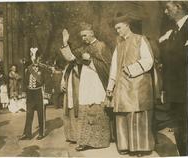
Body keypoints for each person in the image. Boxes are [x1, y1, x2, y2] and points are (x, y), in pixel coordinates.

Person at [106, 12, 155, 156]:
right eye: (116, 29)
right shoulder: (119, 45)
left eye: (119, 27)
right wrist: (110, 87)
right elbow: (113, 67)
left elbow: (148, 60)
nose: (118, 31)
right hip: (122, 87)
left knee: (137, 115)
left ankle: (140, 148)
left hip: (137, 86)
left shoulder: (140, 39)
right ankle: (125, 146)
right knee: (122, 114)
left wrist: (131, 69)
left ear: (127, 25)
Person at [60, 22, 112, 151]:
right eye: (81, 36)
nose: (83, 38)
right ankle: (84, 141)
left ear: (91, 33)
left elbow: (108, 67)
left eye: (85, 35)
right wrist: (65, 43)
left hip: (98, 82)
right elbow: (71, 58)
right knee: (85, 109)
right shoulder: (83, 48)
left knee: (97, 109)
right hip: (86, 82)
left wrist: (90, 61)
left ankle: (100, 141)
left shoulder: (101, 46)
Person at [159, 1, 188, 156]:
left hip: (186, 89)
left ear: (179, 7)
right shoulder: (172, 32)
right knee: (180, 127)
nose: (165, 11)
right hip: (176, 91)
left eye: (168, 8)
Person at [19, 47, 46, 140]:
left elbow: (47, 81)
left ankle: (41, 133)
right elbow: (25, 81)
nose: (33, 58)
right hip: (30, 93)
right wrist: (23, 92)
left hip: (39, 92)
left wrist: (46, 95)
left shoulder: (43, 68)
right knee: (29, 114)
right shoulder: (28, 68)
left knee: (40, 114)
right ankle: (27, 133)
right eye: (32, 56)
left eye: (34, 56)